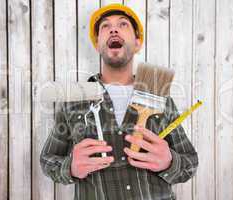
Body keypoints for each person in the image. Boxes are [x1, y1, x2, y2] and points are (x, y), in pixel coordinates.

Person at [40, 4, 198, 200]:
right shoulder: (76, 99)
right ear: (97, 44)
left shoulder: (158, 95)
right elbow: (48, 160)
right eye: (105, 26)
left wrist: (169, 162)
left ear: (138, 42)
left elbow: (190, 162)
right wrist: (70, 168)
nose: (113, 29)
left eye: (123, 24)